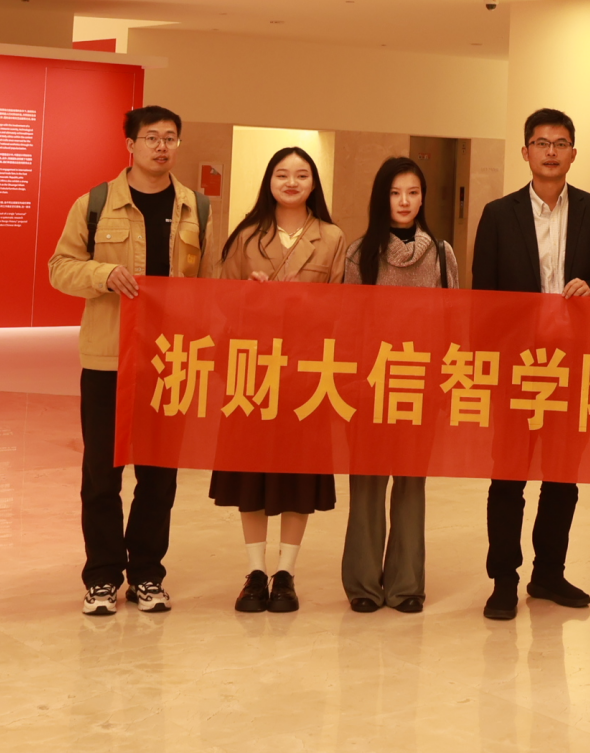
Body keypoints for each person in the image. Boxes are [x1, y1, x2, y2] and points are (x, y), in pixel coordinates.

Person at [48, 105, 210, 617]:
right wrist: (101, 274)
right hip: (108, 360)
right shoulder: (96, 203)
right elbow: (59, 267)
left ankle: (146, 574)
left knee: (159, 477)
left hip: (171, 361)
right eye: (152, 137)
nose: (162, 146)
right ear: (131, 145)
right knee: (102, 473)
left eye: (170, 138)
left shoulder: (196, 208)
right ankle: (101, 576)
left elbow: (210, 281)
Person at [471, 108, 590, 621]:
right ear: (525, 152)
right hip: (517, 368)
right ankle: (503, 580)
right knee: (508, 476)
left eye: (560, 143)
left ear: (574, 153)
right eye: (541, 143)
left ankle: (549, 574)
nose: (551, 152)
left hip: (573, 366)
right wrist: (487, 365)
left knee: (562, 476)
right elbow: (483, 296)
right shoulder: (499, 214)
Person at [208, 146, 348, 614]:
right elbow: (221, 300)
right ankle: (255, 571)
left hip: (306, 371)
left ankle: (286, 572)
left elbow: (343, 306)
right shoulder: (247, 236)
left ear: (314, 183)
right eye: (282, 174)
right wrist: (249, 297)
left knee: (297, 473)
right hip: (254, 369)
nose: (291, 182)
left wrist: (305, 303)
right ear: (269, 181)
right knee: (251, 470)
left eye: (301, 175)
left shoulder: (331, 237)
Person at [341, 156, 461, 615]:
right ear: (382, 198)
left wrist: (446, 381)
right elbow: (348, 326)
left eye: (413, 192)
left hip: (420, 384)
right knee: (367, 486)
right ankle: (363, 585)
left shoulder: (442, 254)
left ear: (423, 198)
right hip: (369, 386)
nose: (405, 202)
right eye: (395, 193)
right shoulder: (360, 253)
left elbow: (453, 324)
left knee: (411, 485)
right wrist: (351, 382)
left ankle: (407, 585)